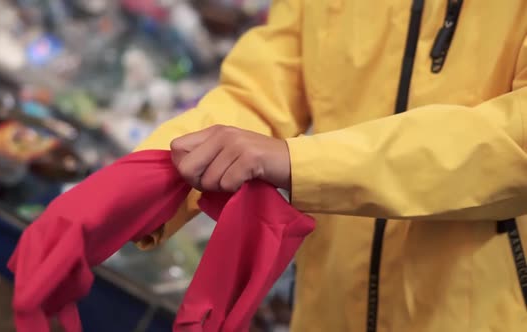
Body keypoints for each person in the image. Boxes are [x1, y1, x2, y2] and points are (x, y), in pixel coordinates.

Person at [135, 0, 527, 331]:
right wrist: (145, 180)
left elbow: (513, 141)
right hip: (328, 305)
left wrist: (300, 161)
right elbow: (265, 85)